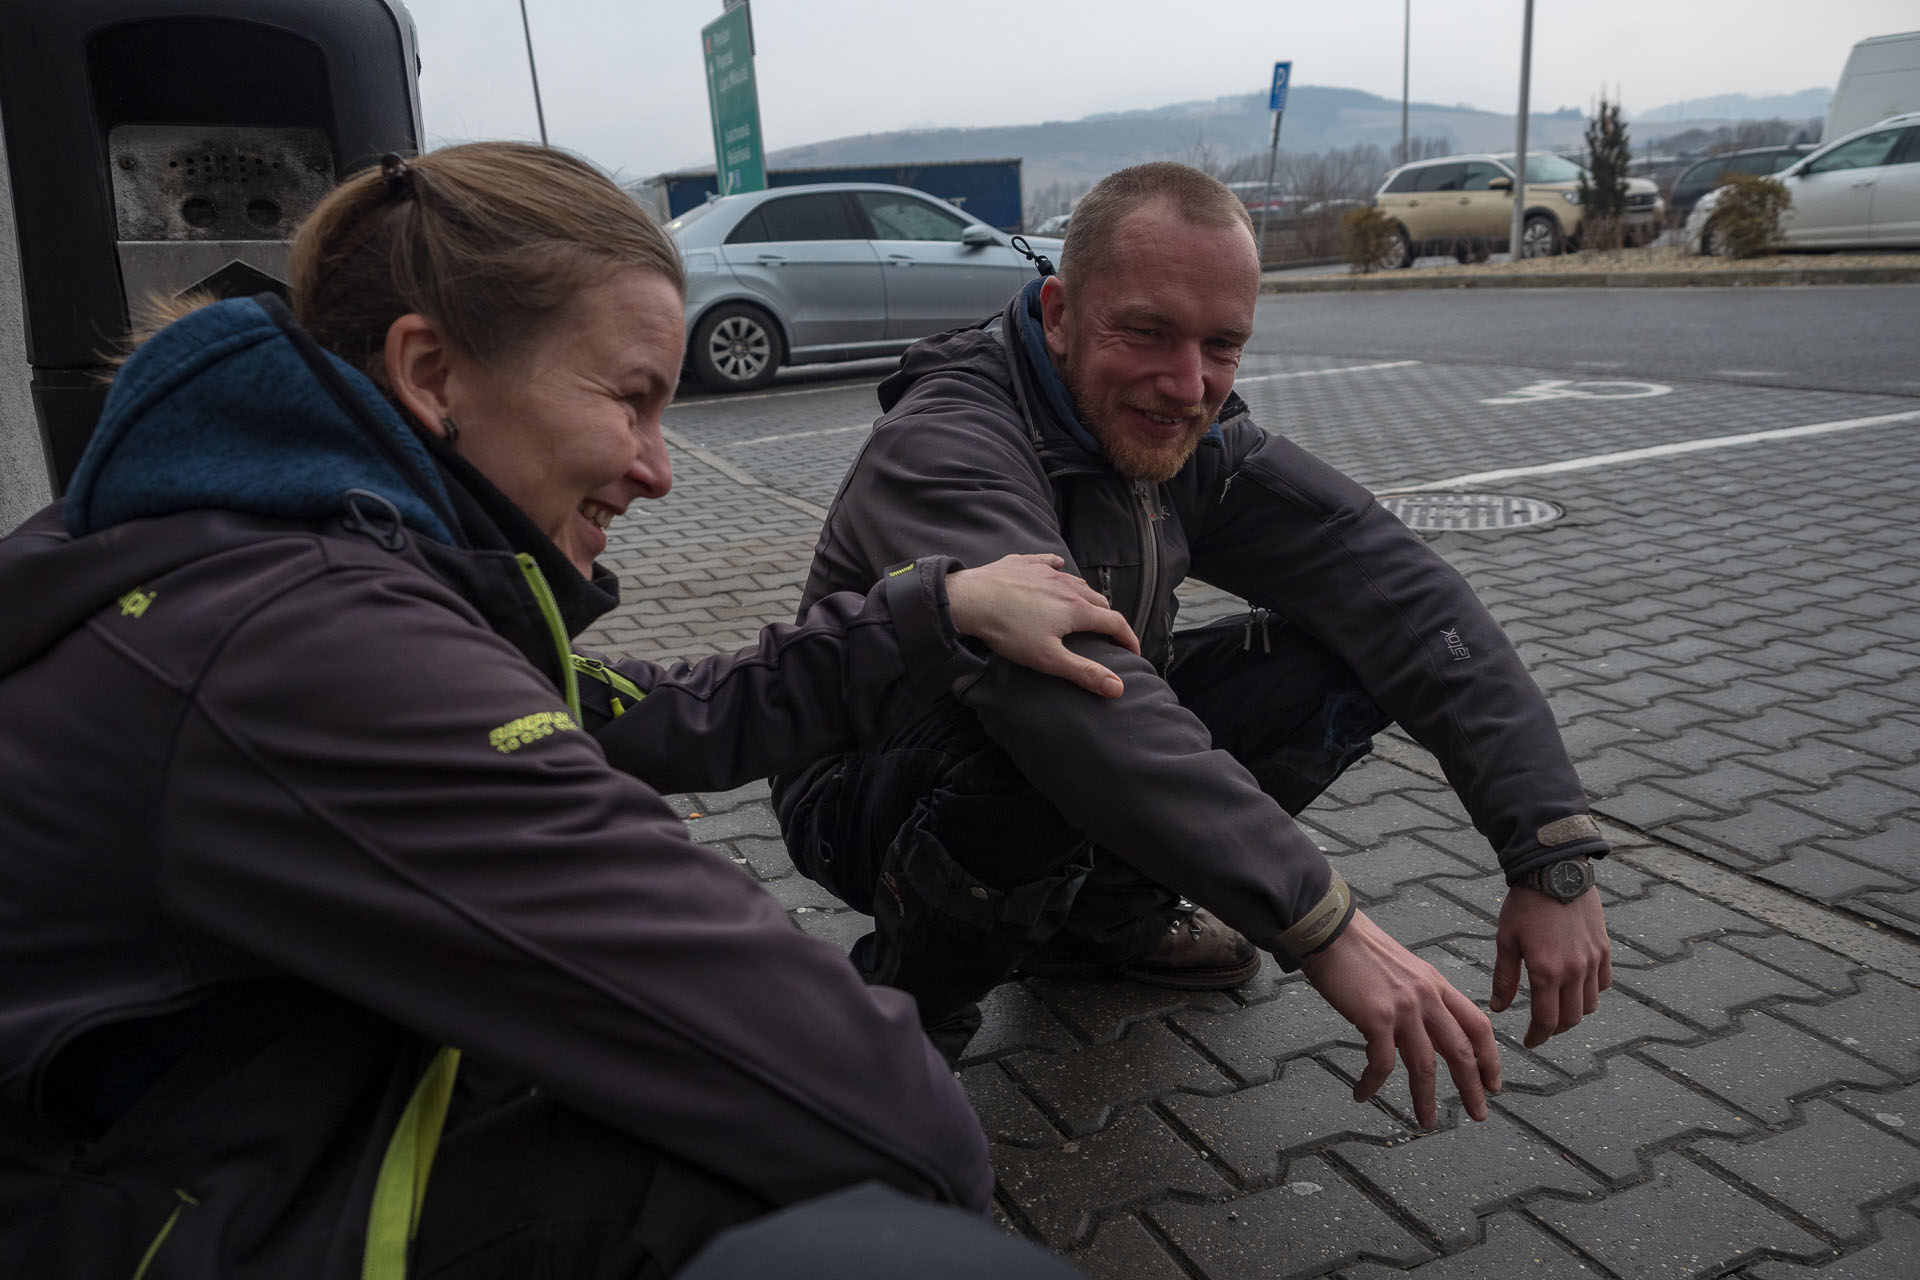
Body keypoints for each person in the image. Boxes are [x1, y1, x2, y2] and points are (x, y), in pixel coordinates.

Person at [0, 143, 1123, 1279]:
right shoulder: (308, 638)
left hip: (210, 1124)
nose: (658, 468)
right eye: (630, 399)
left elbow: (652, 710)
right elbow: (889, 1119)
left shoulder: (266, 540)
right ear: (431, 372)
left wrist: (934, 612)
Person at [773, 161, 1614, 1124]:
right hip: (864, 790)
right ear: (1056, 313)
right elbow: (1073, 709)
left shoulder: (1191, 442)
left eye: (1223, 345)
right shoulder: (949, 442)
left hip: (1063, 739)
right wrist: (1324, 923)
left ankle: (1098, 924)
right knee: (1058, 720)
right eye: (1146, 332)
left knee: (1344, 654)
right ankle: (895, 1027)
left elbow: (1408, 598)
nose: (1186, 387)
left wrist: (1548, 852)